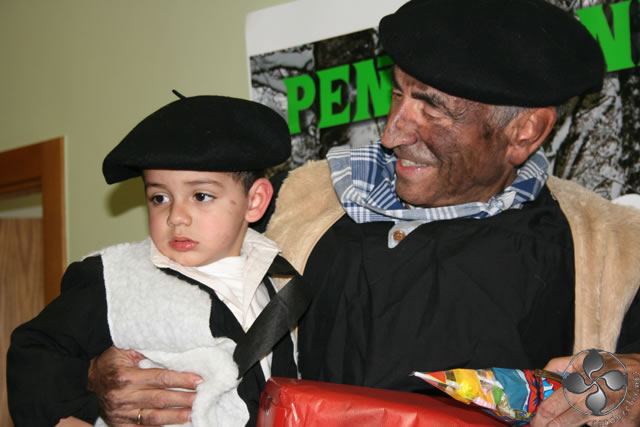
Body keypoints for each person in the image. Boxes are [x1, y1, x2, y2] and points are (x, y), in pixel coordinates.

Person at [15, 0, 640, 426]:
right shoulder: (300, 203)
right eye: (397, 94)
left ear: (525, 132)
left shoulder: (612, 249)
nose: (392, 132)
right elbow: (67, 337)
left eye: (431, 108)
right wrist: (93, 381)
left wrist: (631, 387)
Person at [6, 94, 308, 426]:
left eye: (201, 196)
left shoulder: (277, 281)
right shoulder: (116, 279)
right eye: (159, 197)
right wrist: (90, 385)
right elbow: (32, 356)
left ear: (255, 201)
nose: (176, 216)